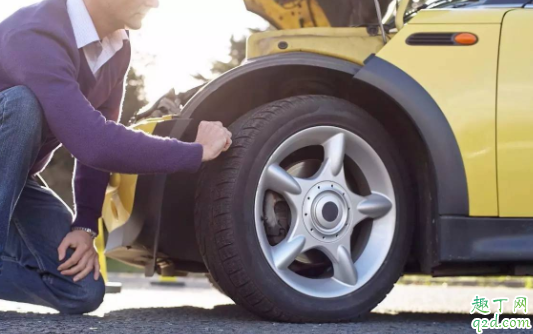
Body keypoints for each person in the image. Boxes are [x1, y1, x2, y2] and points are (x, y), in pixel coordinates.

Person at [0, 0, 232, 314]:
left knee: (81, 289)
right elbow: (93, 142)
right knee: (22, 105)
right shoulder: (36, 34)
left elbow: (100, 138)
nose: (155, 2)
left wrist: (85, 226)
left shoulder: (117, 48)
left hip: (16, 180)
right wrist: (196, 151)